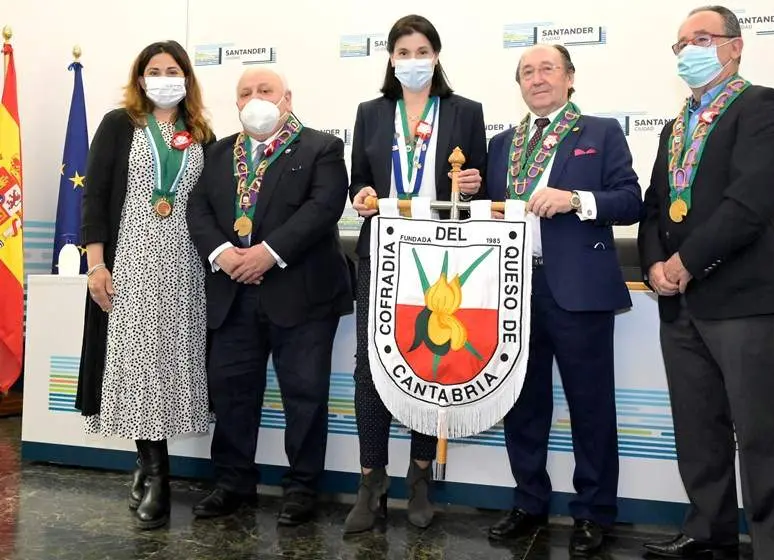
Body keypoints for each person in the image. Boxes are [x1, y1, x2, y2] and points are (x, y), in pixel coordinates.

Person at [637, 5, 774, 559]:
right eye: (681, 44)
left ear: (735, 46)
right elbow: (656, 206)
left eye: (701, 38)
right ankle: (708, 533)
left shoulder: (762, 106)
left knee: (758, 430)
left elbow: (750, 203)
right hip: (678, 303)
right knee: (697, 428)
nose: (690, 51)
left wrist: (685, 263)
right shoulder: (675, 125)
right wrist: (656, 265)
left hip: (740, 296)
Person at [484, 44, 642, 556]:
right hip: (512, 291)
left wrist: (576, 200)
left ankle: (595, 512)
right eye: (527, 71)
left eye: (547, 68)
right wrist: (466, 192)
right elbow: (490, 211)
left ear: (570, 78)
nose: (537, 78)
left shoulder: (601, 132)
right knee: (522, 407)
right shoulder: (502, 144)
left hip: (578, 291)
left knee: (590, 408)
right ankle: (529, 503)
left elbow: (631, 200)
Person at [186, 67, 353, 526]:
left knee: (304, 394)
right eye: (245, 93)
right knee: (232, 392)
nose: (255, 99)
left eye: (265, 91)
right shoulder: (219, 153)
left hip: (302, 295)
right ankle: (233, 482)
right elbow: (197, 208)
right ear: (236, 103)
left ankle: (301, 488)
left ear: (287, 98)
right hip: (232, 292)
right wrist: (224, 253)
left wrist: (267, 253)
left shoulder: (322, 147)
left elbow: (323, 208)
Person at [345, 14, 487, 534]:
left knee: (431, 362)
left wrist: (471, 185)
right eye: (402, 52)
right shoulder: (371, 112)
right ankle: (371, 481)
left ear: (437, 55)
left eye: (421, 50)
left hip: (438, 258)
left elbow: (482, 184)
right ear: (390, 59)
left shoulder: (465, 111)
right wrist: (360, 195)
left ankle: (420, 476)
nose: (412, 60)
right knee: (370, 367)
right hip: (381, 252)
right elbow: (359, 181)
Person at [76, 40, 214, 530]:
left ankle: (146, 465)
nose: (162, 77)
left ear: (186, 77)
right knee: (140, 368)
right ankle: (159, 476)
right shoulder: (119, 125)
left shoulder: (201, 133)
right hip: (130, 263)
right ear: (139, 79)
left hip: (185, 268)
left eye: (172, 69)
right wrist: (96, 264)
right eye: (153, 70)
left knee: (170, 369)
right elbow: (94, 197)